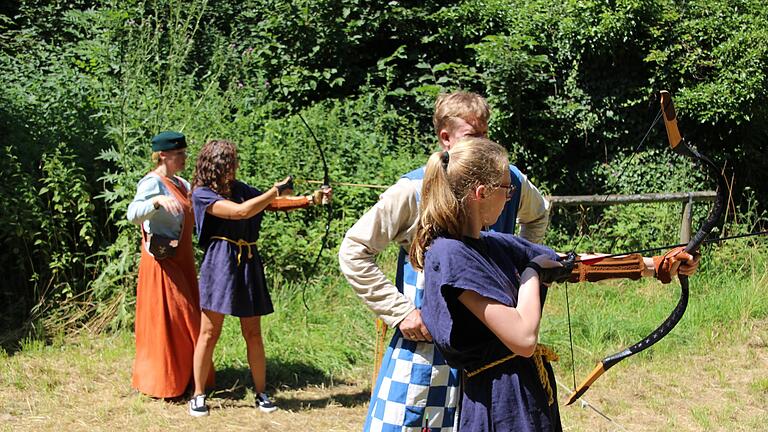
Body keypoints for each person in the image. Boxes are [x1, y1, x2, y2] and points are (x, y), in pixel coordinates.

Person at [409, 137, 700, 431]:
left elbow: (570, 264)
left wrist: (658, 265)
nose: (509, 195)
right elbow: (523, 338)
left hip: (524, 391)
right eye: (506, 189)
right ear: (481, 193)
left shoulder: (492, 244)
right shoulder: (449, 255)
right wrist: (532, 272)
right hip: (498, 402)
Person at [338, 91, 550, 431]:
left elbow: (538, 216)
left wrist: (518, 262)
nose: (481, 144)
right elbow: (354, 250)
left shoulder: (508, 181)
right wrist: (400, 311)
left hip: (492, 347)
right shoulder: (413, 189)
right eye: (472, 136)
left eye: (485, 134)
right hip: (430, 346)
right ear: (446, 138)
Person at [187, 139, 331, 417]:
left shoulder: (240, 189)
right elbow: (241, 211)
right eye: (231, 162)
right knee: (208, 332)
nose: (236, 166)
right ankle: (198, 395)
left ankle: (261, 392)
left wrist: (310, 199)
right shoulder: (202, 194)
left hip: (248, 263)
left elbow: (270, 204)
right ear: (218, 165)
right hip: (220, 263)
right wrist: (273, 190)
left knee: (253, 332)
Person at [127, 131, 204, 399]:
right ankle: (165, 380)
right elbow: (132, 214)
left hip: (182, 259)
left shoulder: (181, 183)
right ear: (163, 155)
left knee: (187, 317)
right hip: (163, 262)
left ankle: (188, 377)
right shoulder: (152, 183)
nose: (184, 158)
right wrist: (156, 202)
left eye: (184, 153)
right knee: (176, 319)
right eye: (179, 154)